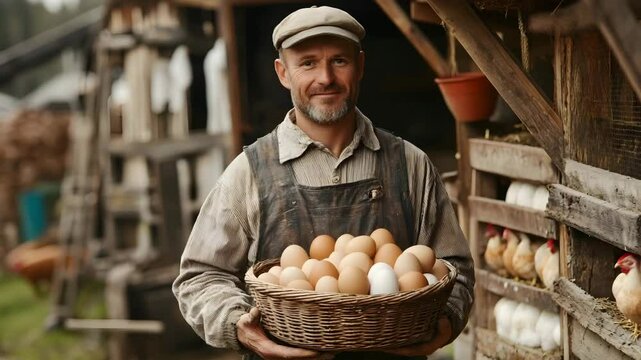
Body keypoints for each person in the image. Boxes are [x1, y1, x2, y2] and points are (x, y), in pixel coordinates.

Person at [173, 5, 474, 360]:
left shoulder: (410, 165)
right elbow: (199, 277)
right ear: (283, 73)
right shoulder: (250, 172)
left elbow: (456, 269)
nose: (326, 78)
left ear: (360, 66)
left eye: (339, 61)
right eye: (308, 63)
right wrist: (240, 325)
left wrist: (444, 324)